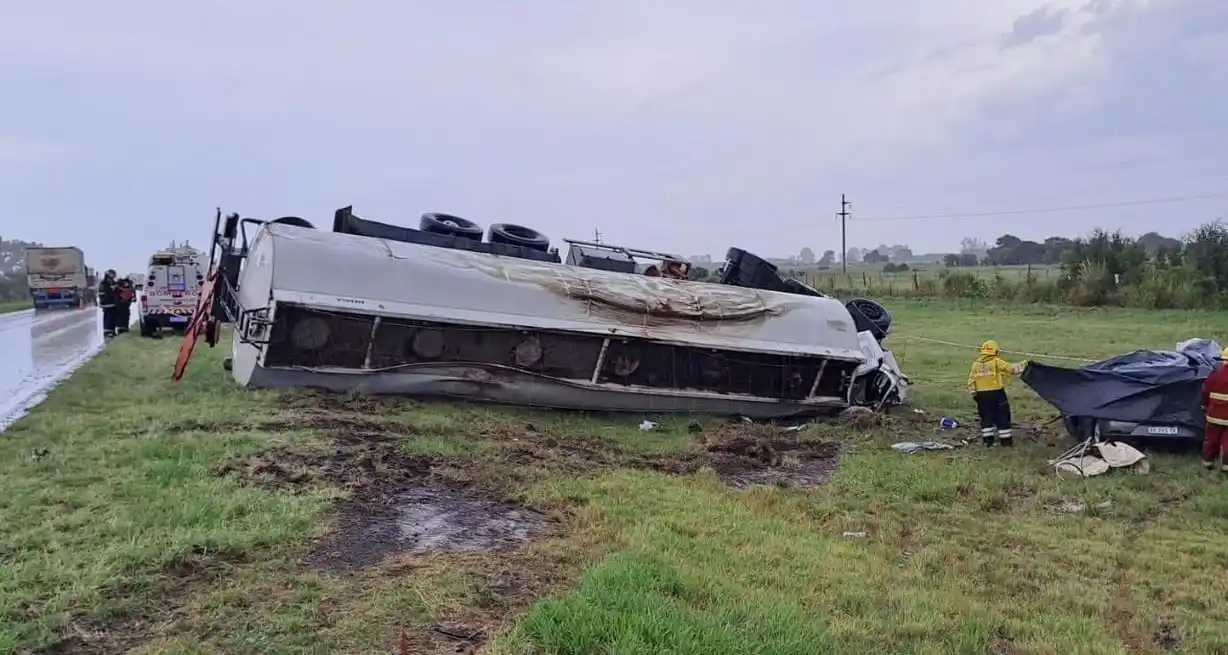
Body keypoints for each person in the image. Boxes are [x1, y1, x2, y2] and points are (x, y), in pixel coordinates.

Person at [966, 340, 1028, 447]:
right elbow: (1010, 369)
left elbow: (971, 380)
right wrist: (1022, 365)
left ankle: (987, 442)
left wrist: (974, 394)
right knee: (1002, 416)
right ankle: (1006, 441)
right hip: (997, 393)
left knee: (986, 417)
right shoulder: (996, 361)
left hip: (982, 395)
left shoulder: (976, 365)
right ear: (995, 351)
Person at [1200, 354, 1228, 471]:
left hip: (1214, 415)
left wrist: (1205, 405)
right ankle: (1226, 465)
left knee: (1211, 440)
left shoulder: (1215, 375)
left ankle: (1208, 462)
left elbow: (1205, 392)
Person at [99, 270, 118, 338]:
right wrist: (111, 290)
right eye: (113, 274)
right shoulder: (104, 282)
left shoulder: (112, 282)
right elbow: (103, 292)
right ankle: (107, 332)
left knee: (112, 318)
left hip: (112, 303)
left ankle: (112, 331)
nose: (114, 276)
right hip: (106, 303)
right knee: (108, 318)